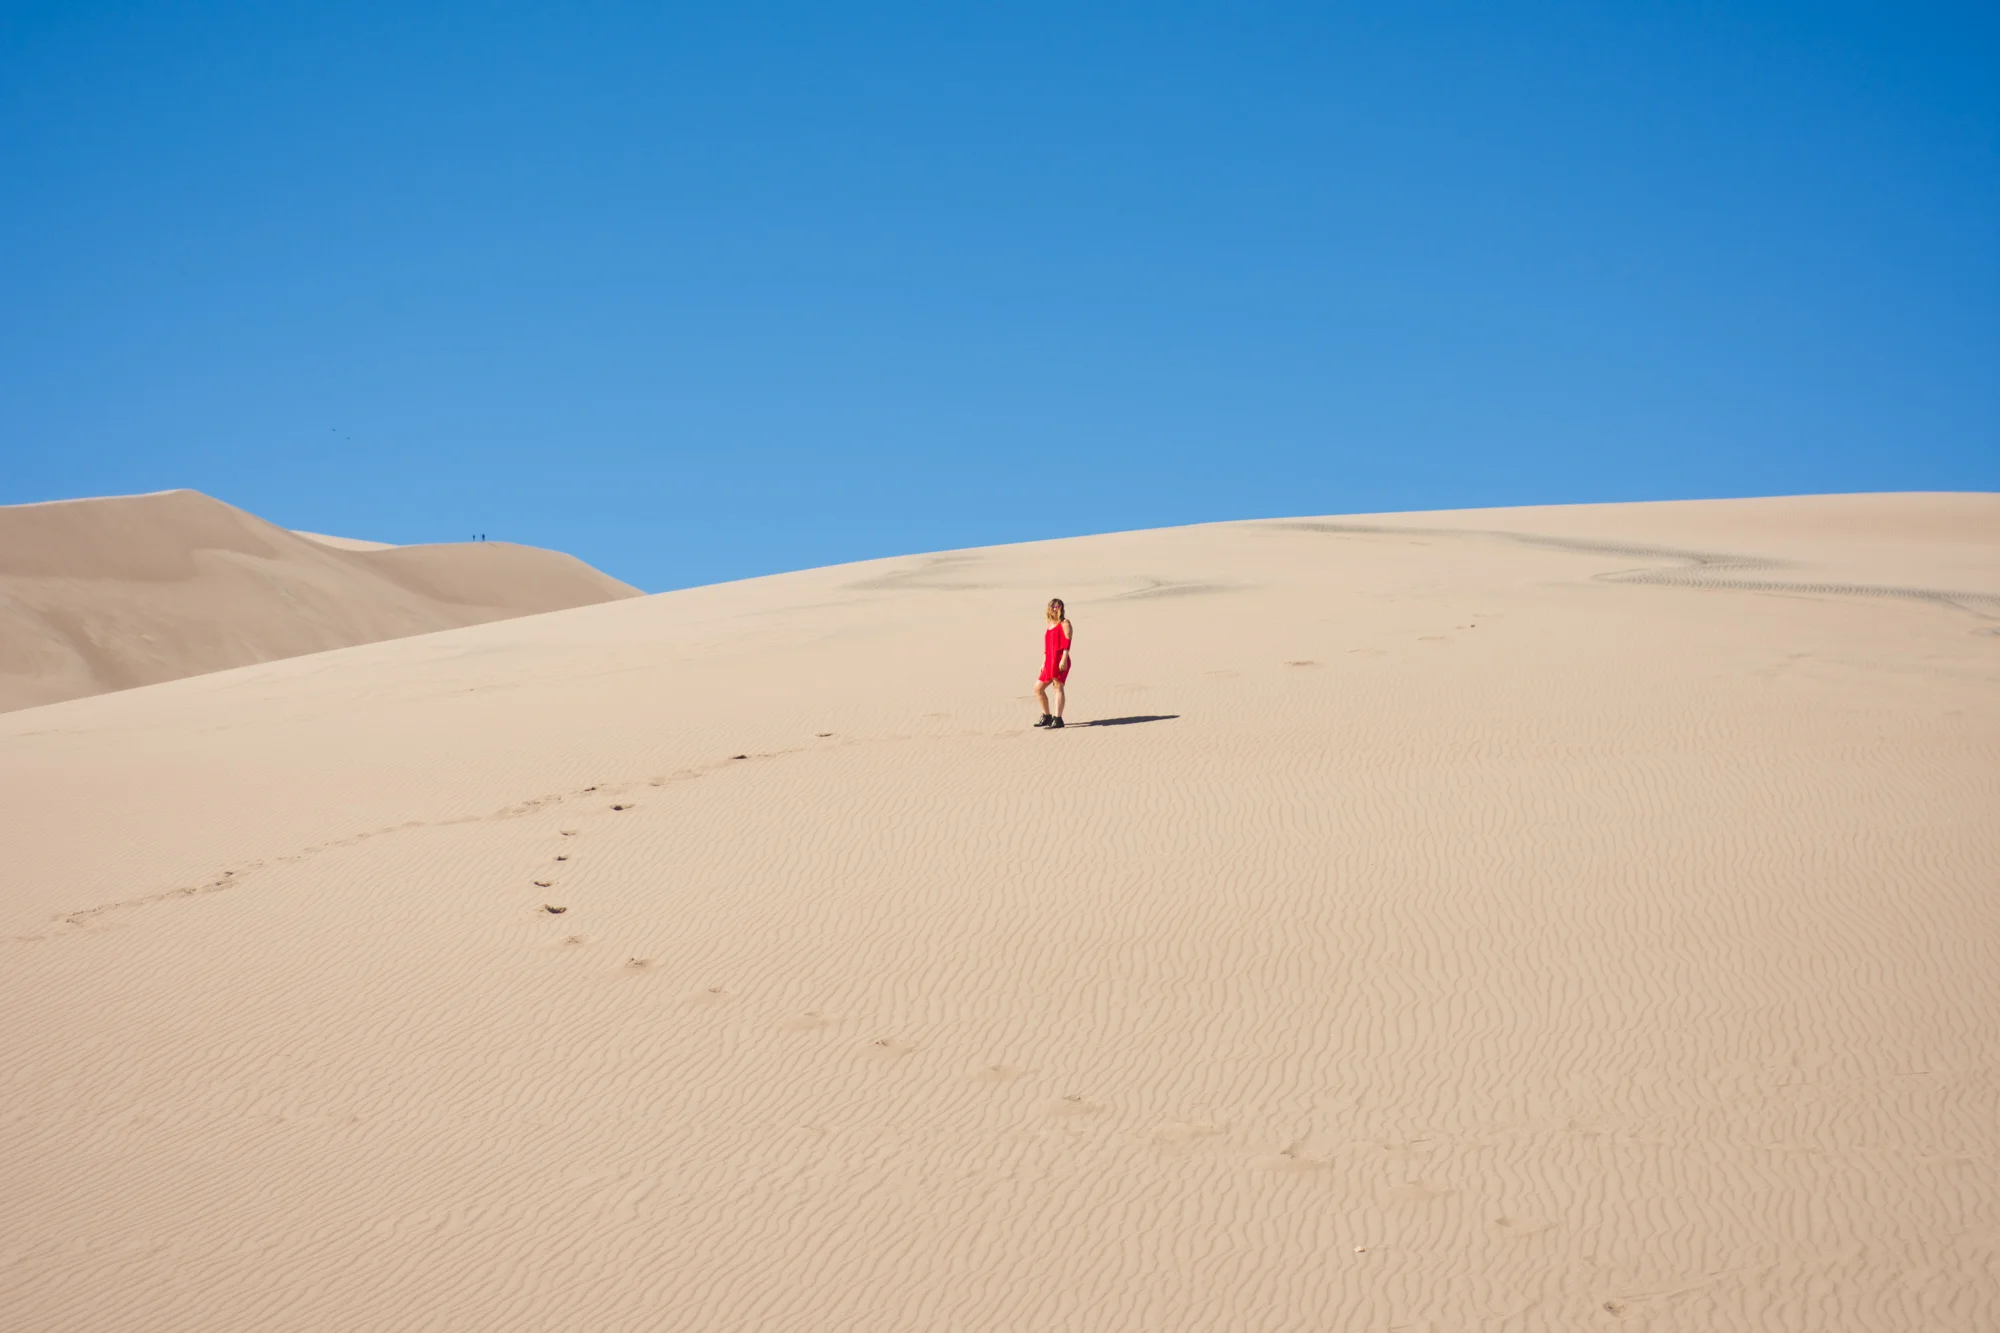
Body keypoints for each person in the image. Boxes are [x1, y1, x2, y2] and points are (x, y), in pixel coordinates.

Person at [1034, 598, 1074, 729]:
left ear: (1061, 608)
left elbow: (1067, 642)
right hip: (1049, 660)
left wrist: (1064, 659)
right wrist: (1043, 662)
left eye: (1057, 607)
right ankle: (1047, 716)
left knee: (1058, 687)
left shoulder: (1065, 623)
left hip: (1059, 659)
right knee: (1038, 688)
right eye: (1052, 607)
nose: (1054, 609)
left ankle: (1058, 719)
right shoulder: (1050, 624)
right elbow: (1047, 646)